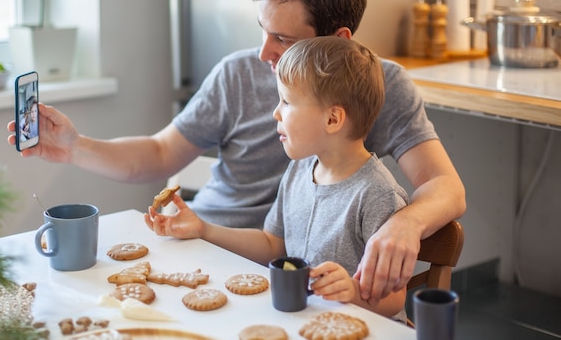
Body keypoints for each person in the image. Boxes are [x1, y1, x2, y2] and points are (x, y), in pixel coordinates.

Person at [6, 0, 466, 305]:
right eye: (262, 30)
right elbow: (160, 154)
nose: (263, 53)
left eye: (282, 39)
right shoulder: (237, 73)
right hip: (213, 248)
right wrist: (73, 147)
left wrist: (405, 222)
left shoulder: (380, 86)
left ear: (337, 41)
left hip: (297, 279)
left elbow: (445, 187)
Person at [144, 36, 409, 322]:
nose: (275, 112)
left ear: (333, 119)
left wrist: (354, 291)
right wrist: (204, 229)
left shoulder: (377, 194)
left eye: (287, 101)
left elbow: (395, 300)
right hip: (302, 321)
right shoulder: (300, 170)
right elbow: (273, 244)